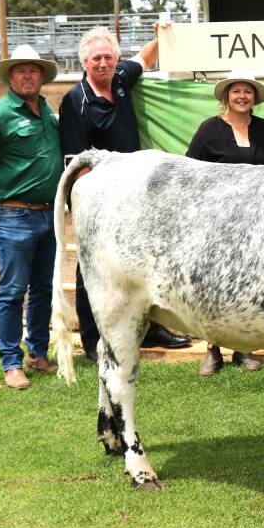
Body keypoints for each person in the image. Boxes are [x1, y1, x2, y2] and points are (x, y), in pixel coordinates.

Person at [58, 24, 192, 362]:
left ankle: (150, 328)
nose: (103, 63)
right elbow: (76, 161)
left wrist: (165, 34)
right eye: (95, 59)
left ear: (116, 59)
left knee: (143, 260)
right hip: (100, 199)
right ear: (84, 62)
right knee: (91, 264)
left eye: (108, 57)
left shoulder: (121, 79)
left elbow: (146, 58)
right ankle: (91, 336)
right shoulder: (76, 101)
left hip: (136, 195)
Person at [0, 44, 63, 390]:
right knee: (13, 290)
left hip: (48, 215)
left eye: (33, 70)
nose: (27, 75)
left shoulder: (48, 112)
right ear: (10, 76)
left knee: (42, 289)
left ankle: (37, 352)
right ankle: (10, 361)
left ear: (41, 76)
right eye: (20, 70)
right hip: (13, 214)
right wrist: (4, 182)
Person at [186, 70, 264, 376]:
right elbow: (191, 172)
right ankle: (212, 349)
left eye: (247, 92)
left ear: (254, 98)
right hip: (216, 224)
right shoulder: (208, 130)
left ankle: (243, 348)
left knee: (250, 284)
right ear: (226, 96)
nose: (242, 96)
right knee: (214, 286)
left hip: (258, 222)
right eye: (236, 91)